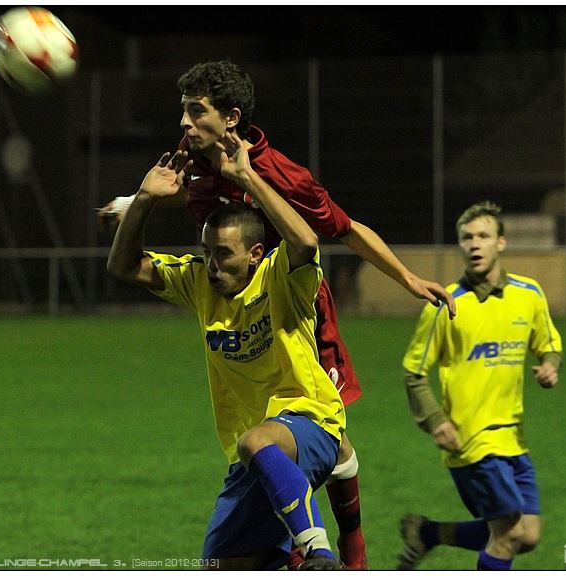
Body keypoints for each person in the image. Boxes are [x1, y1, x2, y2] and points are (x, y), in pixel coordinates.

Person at [99, 60, 458, 569]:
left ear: (231, 118)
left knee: (320, 422)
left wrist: (407, 278)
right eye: (184, 111)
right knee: (265, 458)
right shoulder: (190, 155)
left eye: (195, 111)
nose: (183, 122)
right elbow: (177, 212)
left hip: (289, 292)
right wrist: (133, 203)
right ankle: (305, 543)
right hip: (226, 288)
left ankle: (341, 546)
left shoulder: (279, 173)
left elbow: (341, 230)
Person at [107, 135, 347, 569]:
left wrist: (248, 178)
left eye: (223, 254)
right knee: (222, 564)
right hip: (251, 458)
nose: (212, 264)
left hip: (310, 424)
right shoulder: (199, 282)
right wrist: (143, 200)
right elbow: (123, 266)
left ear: (255, 254)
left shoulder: (281, 276)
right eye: (206, 252)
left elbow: (307, 242)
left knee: (256, 441)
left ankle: (319, 552)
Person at [397, 200, 563, 570]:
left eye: (483, 236)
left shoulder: (529, 294)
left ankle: (428, 533)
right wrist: (436, 420)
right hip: (470, 440)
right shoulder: (444, 305)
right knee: (509, 534)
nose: (474, 244)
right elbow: (414, 372)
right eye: (467, 237)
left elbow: (549, 345)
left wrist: (550, 366)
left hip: (514, 438)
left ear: (501, 242)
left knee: (528, 535)